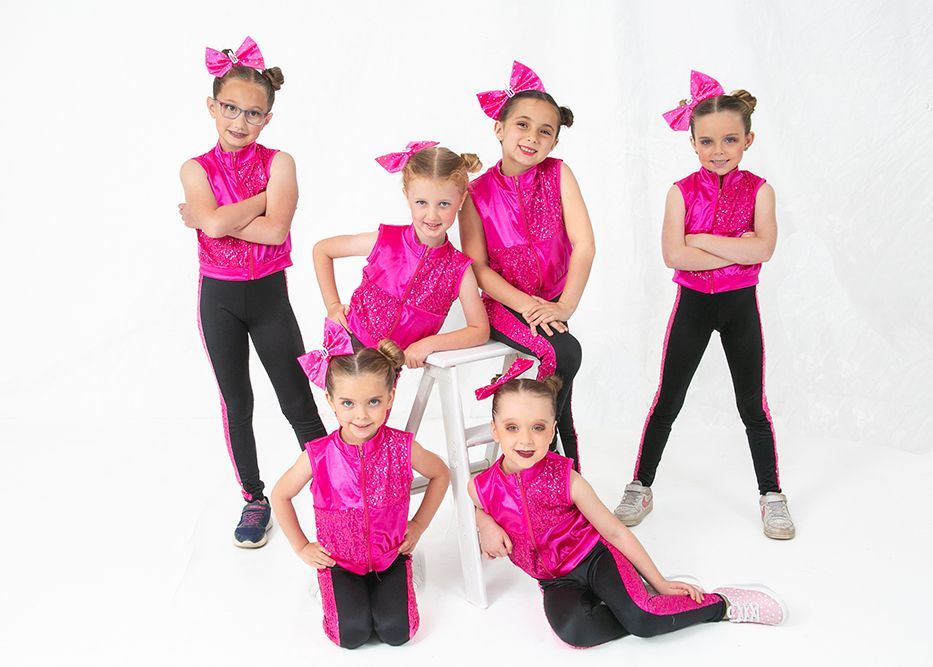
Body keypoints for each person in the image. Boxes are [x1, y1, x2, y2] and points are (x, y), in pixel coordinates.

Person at [469, 362, 787, 648]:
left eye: (537, 427)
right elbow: (477, 505)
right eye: (512, 427)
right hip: (555, 580)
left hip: (596, 558)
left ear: (551, 431)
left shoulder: (567, 479)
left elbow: (616, 532)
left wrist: (659, 582)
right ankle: (632, 604)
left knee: (644, 623)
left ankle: (721, 605)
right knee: (576, 633)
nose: (525, 439)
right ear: (495, 430)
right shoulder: (480, 487)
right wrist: (485, 522)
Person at [614, 71, 794, 540]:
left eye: (730, 140)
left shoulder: (760, 190)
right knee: (668, 398)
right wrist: (737, 244)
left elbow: (764, 250)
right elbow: (675, 255)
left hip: (740, 308)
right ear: (693, 142)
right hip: (693, 307)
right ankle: (641, 485)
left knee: (752, 404)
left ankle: (771, 494)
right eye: (708, 141)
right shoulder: (680, 191)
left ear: (748, 140)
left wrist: (703, 240)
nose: (719, 150)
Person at [179, 36, 325, 547]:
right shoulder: (195, 168)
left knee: (296, 396)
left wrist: (217, 219)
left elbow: (274, 231)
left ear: (268, 118)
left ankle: (332, 484)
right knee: (236, 403)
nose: (240, 122)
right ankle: (255, 497)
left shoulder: (279, 162)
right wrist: (247, 209)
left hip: (269, 298)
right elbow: (226, 226)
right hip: (218, 299)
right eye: (230, 109)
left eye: (253, 114)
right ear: (212, 106)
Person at [272, 320, 450, 648]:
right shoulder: (318, 454)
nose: (362, 415)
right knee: (350, 635)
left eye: (373, 402)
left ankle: (399, 578)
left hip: (390, 554)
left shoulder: (402, 446)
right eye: (348, 404)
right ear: (330, 401)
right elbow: (280, 494)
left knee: (398, 633)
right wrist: (302, 546)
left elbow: (441, 473)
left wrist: (419, 524)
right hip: (339, 559)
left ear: (390, 397)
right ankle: (339, 591)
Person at [459, 61, 595, 470]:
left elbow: (584, 243)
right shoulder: (475, 193)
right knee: (564, 353)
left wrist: (564, 306)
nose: (532, 138)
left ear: (554, 141)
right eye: (522, 125)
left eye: (545, 131)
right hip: (503, 304)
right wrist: (526, 304)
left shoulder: (558, 175)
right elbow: (478, 268)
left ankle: (556, 465)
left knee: (562, 354)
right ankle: (549, 458)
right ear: (499, 128)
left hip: (552, 300)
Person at [313, 142, 488, 369]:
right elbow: (323, 250)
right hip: (347, 345)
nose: (432, 215)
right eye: (421, 203)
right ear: (407, 196)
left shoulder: (459, 269)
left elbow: (479, 330)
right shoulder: (385, 241)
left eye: (444, 204)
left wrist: (429, 344)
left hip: (389, 364)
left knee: (377, 405)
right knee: (345, 403)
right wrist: (333, 305)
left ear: (461, 200)